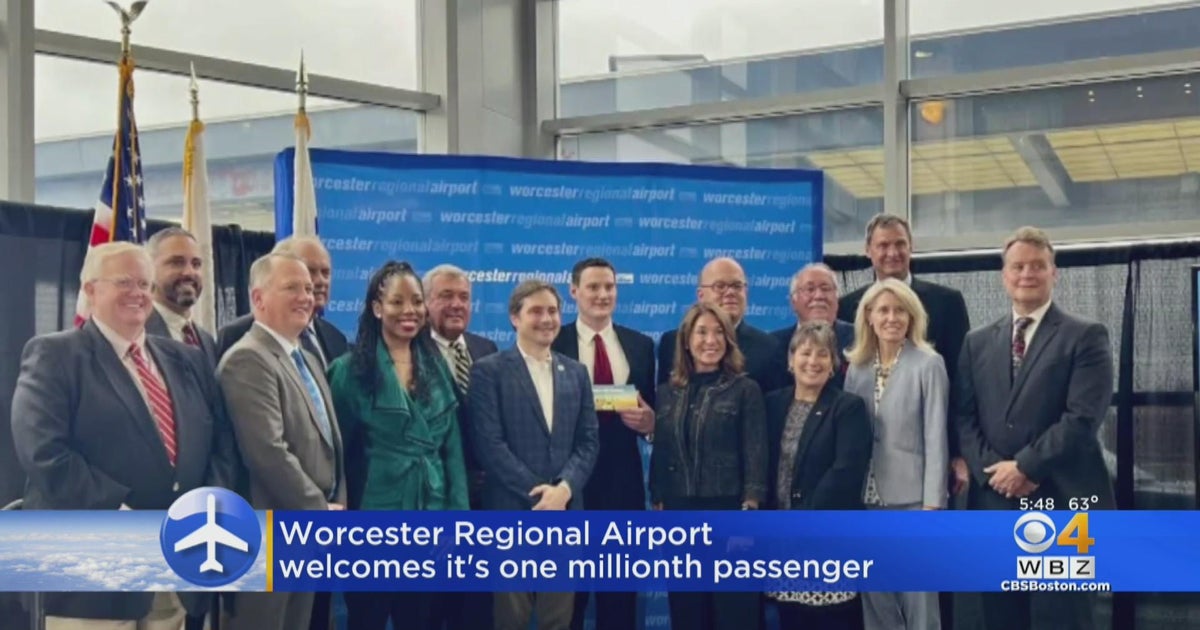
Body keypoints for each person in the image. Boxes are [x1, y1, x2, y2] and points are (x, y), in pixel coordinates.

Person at [11, 241, 236, 629]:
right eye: (124, 282)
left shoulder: (188, 360)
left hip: (176, 564)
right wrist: (128, 519)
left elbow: (220, 445)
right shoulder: (55, 355)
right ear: (90, 290)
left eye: (145, 285)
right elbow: (45, 454)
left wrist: (202, 515)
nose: (138, 294)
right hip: (91, 576)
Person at [957, 227, 1114, 630]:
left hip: (1062, 501)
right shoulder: (976, 342)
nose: (1027, 273)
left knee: (1063, 619)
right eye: (1018, 266)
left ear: (1054, 273)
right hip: (994, 504)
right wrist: (997, 473)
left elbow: (1082, 418)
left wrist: (1024, 467)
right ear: (1003, 275)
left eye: (1037, 266)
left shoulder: (1086, 335)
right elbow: (964, 417)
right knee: (999, 617)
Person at [327, 261, 466, 629]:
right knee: (366, 619)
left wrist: (458, 520)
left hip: (430, 520)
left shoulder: (436, 367)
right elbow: (335, 453)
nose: (410, 311)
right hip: (372, 522)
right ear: (376, 308)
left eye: (417, 302)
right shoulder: (349, 371)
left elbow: (452, 452)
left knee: (420, 620)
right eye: (397, 301)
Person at [217, 253, 346, 630]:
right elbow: (268, 453)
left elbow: (330, 445)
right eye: (292, 287)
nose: (307, 296)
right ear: (258, 299)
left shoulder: (307, 358)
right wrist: (320, 510)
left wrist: (336, 503)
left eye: (309, 288)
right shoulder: (247, 358)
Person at [468, 280, 599, 630]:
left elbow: (588, 442)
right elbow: (490, 446)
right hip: (511, 514)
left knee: (559, 619)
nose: (547, 319)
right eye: (536, 311)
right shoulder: (489, 370)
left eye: (553, 311)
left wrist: (564, 490)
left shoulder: (576, 373)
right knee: (510, 619)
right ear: (515, 317)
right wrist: (543, 495)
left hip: (566, 516)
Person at [552, 258, 656, 630]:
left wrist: (650, 425)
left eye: (609, 287)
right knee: (568, 600)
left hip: (623, 487)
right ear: (574, 291)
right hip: (567, 487)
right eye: (593, 287)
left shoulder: (641, 345)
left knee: (620, 598)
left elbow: (651, 412)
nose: (602, 294)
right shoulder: (554, 341)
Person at [650, 302, 767, 630]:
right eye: (702, 332)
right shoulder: (666, 393)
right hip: (679, 514)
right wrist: (657, 496)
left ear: (729, 341)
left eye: (719, 333)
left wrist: (750, 512)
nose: (710, 340)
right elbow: (662, 451)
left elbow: (756, 454)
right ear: (686, 340)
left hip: (729, 514)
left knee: (735, 613)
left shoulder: (745, 389)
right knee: (687, 612)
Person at [839, 213, 971, 496]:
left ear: (911, 247)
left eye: (900, 244)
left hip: (924, 466)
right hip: (866, 480)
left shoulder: (947, 302)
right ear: (868, 250)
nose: (892, 253)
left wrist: (959, 453)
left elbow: (963, 383)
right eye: (883, 245)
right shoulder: (847, 306)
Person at [844, 278, 948, 630]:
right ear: (868, 316)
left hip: (912, 504)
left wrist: (933, 506)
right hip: (866, 502)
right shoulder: (856, 367)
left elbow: (936, 437)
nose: (892, 317)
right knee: (877, 602)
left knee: (919, 606)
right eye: (883, 310)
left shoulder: (928, 364)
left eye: (900, 309)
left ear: (911, 316)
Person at [765, 321, 871, 630]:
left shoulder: (847, 407)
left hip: (826, 532)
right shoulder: (772, 404)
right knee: (790, 616)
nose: (813, 361)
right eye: (806, 352)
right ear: (791, 359)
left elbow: (846, 471)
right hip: (780, 535)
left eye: (822, 354)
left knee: (830, 619)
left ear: (834, 363)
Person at [216, 236, 348, 370]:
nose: (320, 281)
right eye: (310, 271)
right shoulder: (236, 335)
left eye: (325, 273)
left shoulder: (336, 338)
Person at [658, 257, 786, 394]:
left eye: (737, 286)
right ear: (700, 295)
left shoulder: (768, 348)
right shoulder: (672, 343)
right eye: (720, 286)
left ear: (746, 292)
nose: (730, 292)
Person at [769, 263, 855, 388]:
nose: (819, 296)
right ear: (794, 302)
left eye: (825, 289)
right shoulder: (773, 344)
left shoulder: (859, 338)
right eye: (810, 289)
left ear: (837, 298)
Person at [144, 227, 218, 365]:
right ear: (149, 269)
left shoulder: (207, 341)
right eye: (177, 263)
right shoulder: (138, 334)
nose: (189, 272)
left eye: (196, 264)